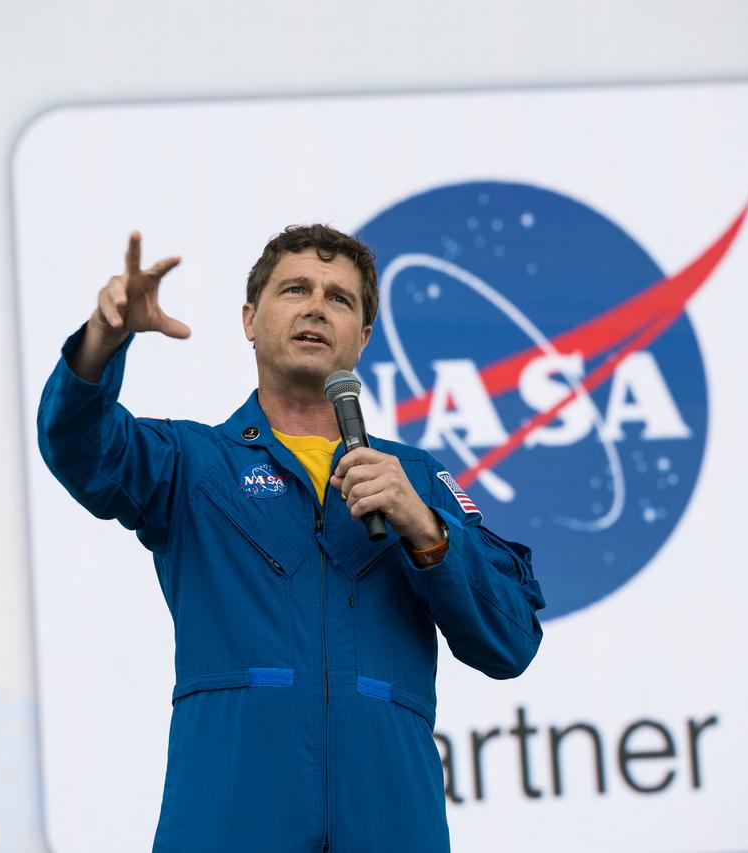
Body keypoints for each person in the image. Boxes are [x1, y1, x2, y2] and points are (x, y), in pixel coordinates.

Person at [36, 225, 546, 852]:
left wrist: (426, 528)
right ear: (250, 320)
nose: (315, 306)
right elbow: (79, 447)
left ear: (361, 339)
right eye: (295, 289)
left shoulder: (416, 480)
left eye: (339, 298)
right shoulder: (192, 463)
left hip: (391, 823)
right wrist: (101, 343)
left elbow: (512, 642)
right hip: (231, 820)